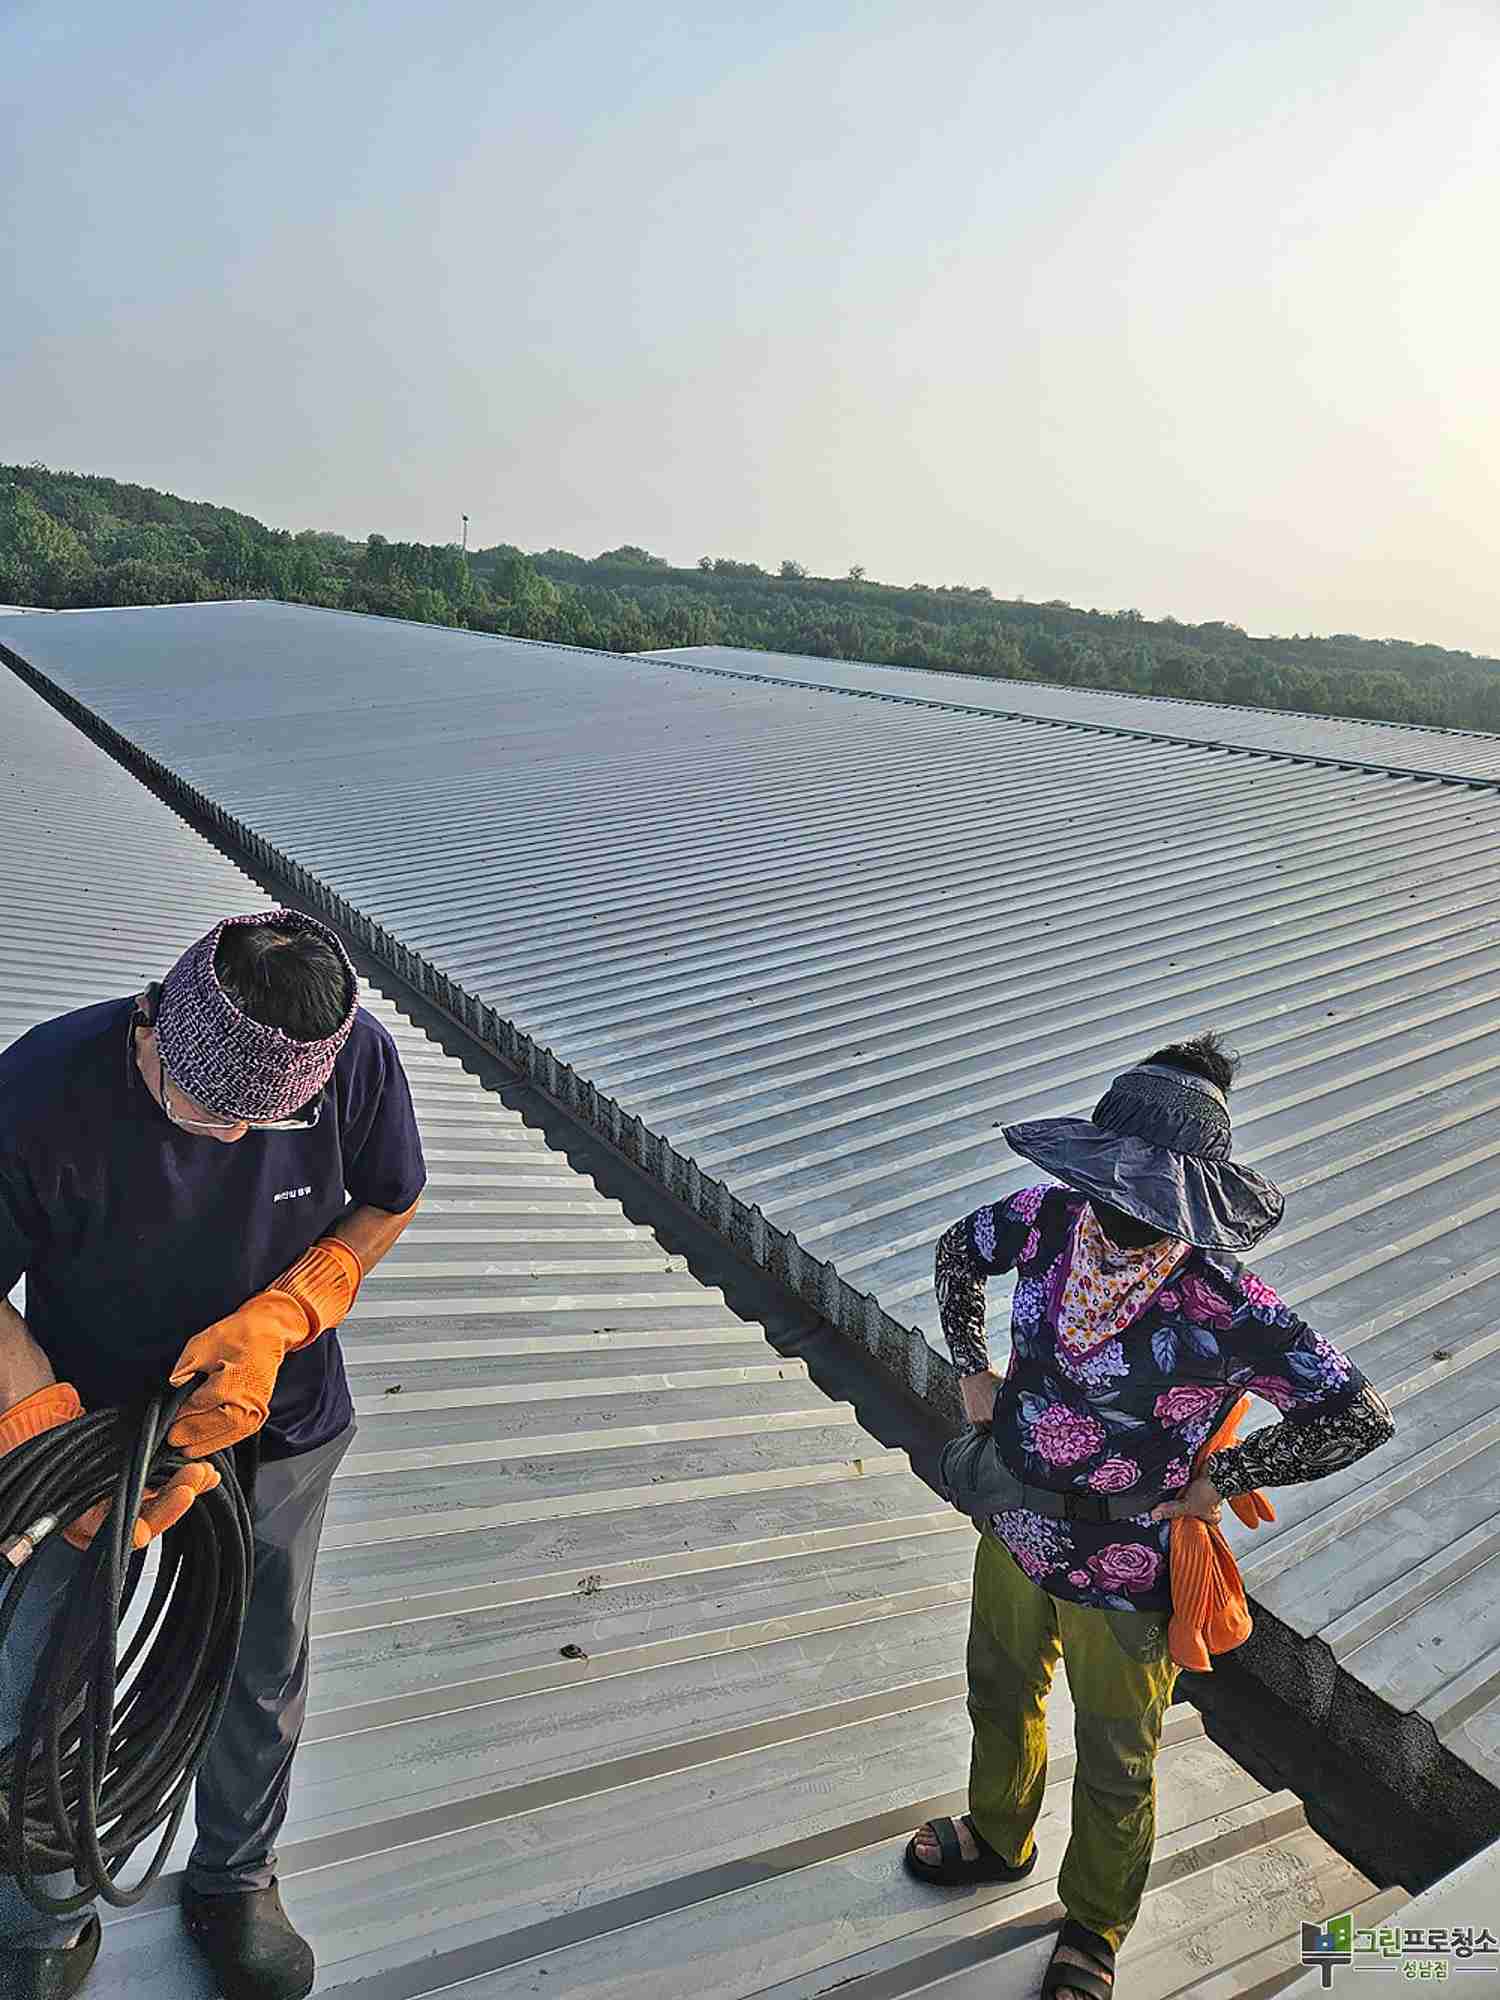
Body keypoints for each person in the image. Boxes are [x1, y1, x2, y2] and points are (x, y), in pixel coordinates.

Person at [906, 1034, 1395, 2000]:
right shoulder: (1047, 1219)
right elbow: (958, 1254)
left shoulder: (1225, 1303)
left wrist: (1227, 1476)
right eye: (1114, 1181)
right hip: (1013, 1522)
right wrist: (971, 1370)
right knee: (998, 1690)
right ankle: (999, 1837)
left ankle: (1092, 1923)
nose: (1123, 1207)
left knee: (1118, 1755)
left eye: (1148, 1192)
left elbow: (1354, 1415)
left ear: (1190, 1195)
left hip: (1128, 1565)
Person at [0, 910, 426, 2000]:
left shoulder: (355, 1057)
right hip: (89, 1433)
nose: (232, 1138)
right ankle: (43, 1910)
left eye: (262, 1118)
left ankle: (235, 1877)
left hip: (276, 1425)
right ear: (153, 1023)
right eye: (205, 1109)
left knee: (257, 1658)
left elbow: (389, 1195)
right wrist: (41, 1419)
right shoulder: (44, 1087)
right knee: (45, 1663)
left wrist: (291, 1311)